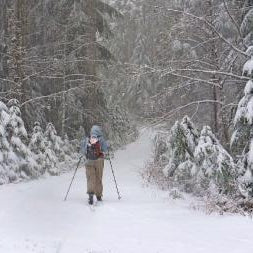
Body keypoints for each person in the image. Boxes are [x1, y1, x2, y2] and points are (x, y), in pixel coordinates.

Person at [81, 125, 108, 205]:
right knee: (98, 178)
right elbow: (105, 150)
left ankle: (90, 195)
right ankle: (99, 196)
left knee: (90, 178)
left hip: (89, 161)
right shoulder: (101, 139)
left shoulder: (87, 139)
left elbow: (82, 151)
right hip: (99, 161)